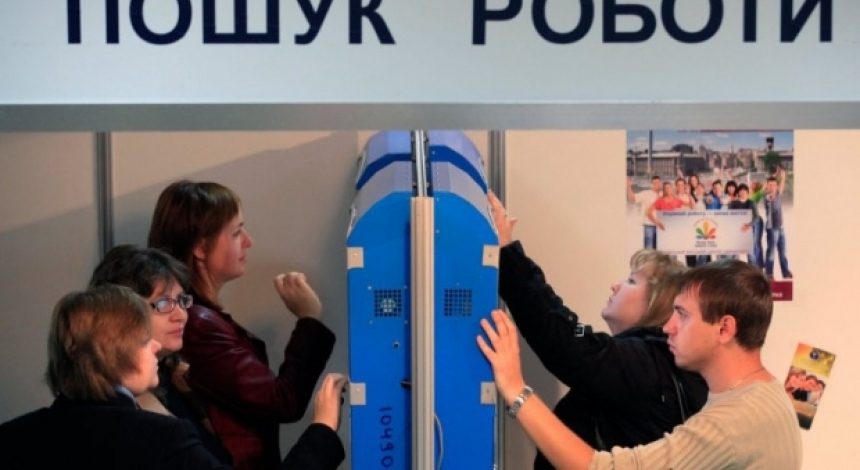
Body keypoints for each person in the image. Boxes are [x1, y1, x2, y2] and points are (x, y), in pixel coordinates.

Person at [478, 260, 802, 470]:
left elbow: (569, 341)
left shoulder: (727, 420)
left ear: (724, 329)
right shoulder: (764, 393)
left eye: (682, 314)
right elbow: (574, 331)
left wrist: (516, 390)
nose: (669, 326)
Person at [488, 193, 707, 469]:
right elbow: (573, 331)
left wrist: (508, 253)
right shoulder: (647, 360)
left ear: (657, 302)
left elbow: (565, 340)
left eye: (631, 281)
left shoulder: (645, 364)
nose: (616, 286)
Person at [88, 245, 347, 469]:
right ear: (120, 316)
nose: (181, 315)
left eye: (182, 301)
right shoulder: (117, 409)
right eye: (164, 304)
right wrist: (322, 428)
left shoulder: (169, 379)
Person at [148, 180, 337, 470]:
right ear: (200, 247)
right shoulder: (197, 324)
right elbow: (283, 400)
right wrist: (309, 319)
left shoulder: (201, 318)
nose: (248, 241)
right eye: (236, 233)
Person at [764, 167, 793, 279]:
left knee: (782, 251)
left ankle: (785, 272)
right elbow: (771, 192)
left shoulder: (778, 194)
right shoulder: (768, 197)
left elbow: (781, 185)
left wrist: (783, 175)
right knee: (771, 252)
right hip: (772, 228)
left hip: (780, 227)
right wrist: (775, 177)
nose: (772, 187)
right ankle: (769, 274)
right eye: (770, 185)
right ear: (767, 186)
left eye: (774, 185)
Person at [626, 175, 661, 249]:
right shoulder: (646, 193)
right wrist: (628, 187)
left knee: (660, 250)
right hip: (649, 225)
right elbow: (632, 199)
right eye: (654, 183)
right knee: (649, 249)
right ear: (651, 184)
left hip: (662, 227)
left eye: (658, 183)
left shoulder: (664, 194)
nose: (656, 185)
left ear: (660, 184)